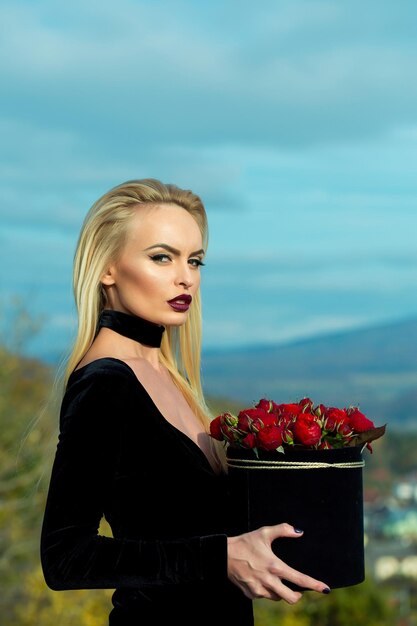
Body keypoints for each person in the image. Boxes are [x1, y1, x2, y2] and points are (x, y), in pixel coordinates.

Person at [40, 178, 330, 626]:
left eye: (194, 260)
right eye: (161, 257)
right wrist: (221, 556)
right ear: (106, 268)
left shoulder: (168, 377)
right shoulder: (104, 384)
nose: (186, 277)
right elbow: (65, 556)